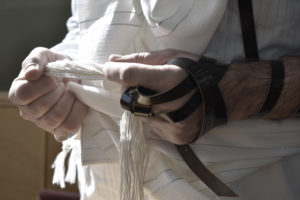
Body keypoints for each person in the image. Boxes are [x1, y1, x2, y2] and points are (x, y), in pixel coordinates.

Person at [8, 0, 300, 199]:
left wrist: (235, 91)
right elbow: (94, 22)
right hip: (107, 183)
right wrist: (64, 75)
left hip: (253, 182)